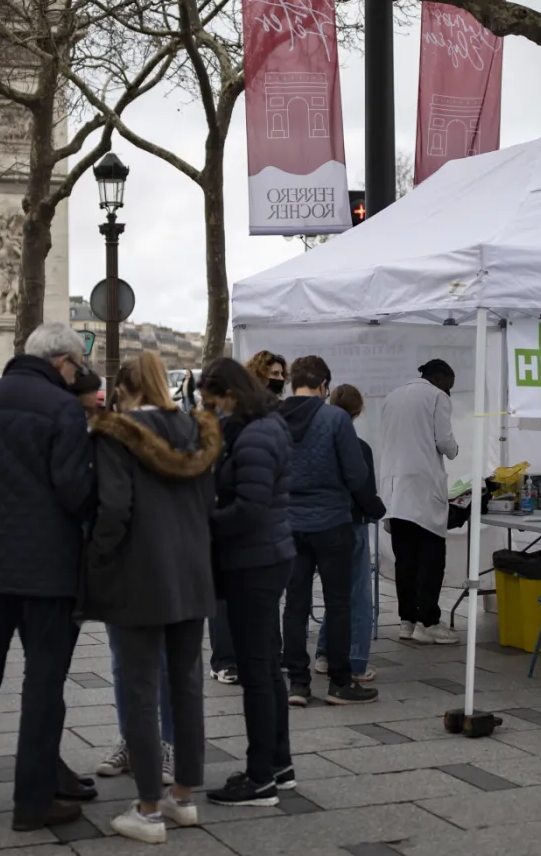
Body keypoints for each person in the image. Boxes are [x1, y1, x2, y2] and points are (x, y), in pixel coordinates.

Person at [0, 323, 96, 832]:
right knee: (42, 681)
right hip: (50, 571)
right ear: (61, 362)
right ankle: (32, 801)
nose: (77, 376)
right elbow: (76, 492)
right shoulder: (62, 410)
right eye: (76, 366)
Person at [83, 351, 220, 843]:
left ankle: (147, 810)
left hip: (140, 574)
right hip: (192, 573)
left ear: (125, 388)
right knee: (186, 686)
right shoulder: (195, 432)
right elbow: (207, 504)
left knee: (140, 690)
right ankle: (182, 798)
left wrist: (98, 558)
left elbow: (114, 507)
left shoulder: (116, 435)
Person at [198, 357, 296, 807]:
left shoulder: (256, 434)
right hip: (264, 556)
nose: (211, 409)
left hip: (253, 560)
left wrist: (204, 521)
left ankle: (260, 779)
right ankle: (279, 763)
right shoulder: (261, 427)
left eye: (212, 400)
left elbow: (250, 507)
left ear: (230, 394)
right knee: (267, 667)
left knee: (256, 671)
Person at [279, 355, 377, 707]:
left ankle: (297, 684)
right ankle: (339, 682)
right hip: (332, 522)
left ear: (292, 383)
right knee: (338, 602)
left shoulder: (274, 418)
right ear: (324, 386)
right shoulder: (335, 418)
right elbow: (355, 474)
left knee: (295, 603)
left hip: (289, 524)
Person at [379, 360, 461, 645]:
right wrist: (455, 449)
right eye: (450, 385)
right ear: (440, 378)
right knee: (430, 560)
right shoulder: (436, 396)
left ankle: (407, 621)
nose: (450, 391)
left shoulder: (393, 396)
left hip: (394, 489)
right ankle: (428, 621)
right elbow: (445, 442)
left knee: (406, 560)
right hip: (422, 489)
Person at [314, 384, 386, 682]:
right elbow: (364, 491)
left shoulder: (317, 442)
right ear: (359, 411)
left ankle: (323, 652)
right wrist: (379, 509)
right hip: (353, 523)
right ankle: (355, 659)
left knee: (335, 592)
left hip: (321, 523)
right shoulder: (359, 447)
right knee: (357, 595)